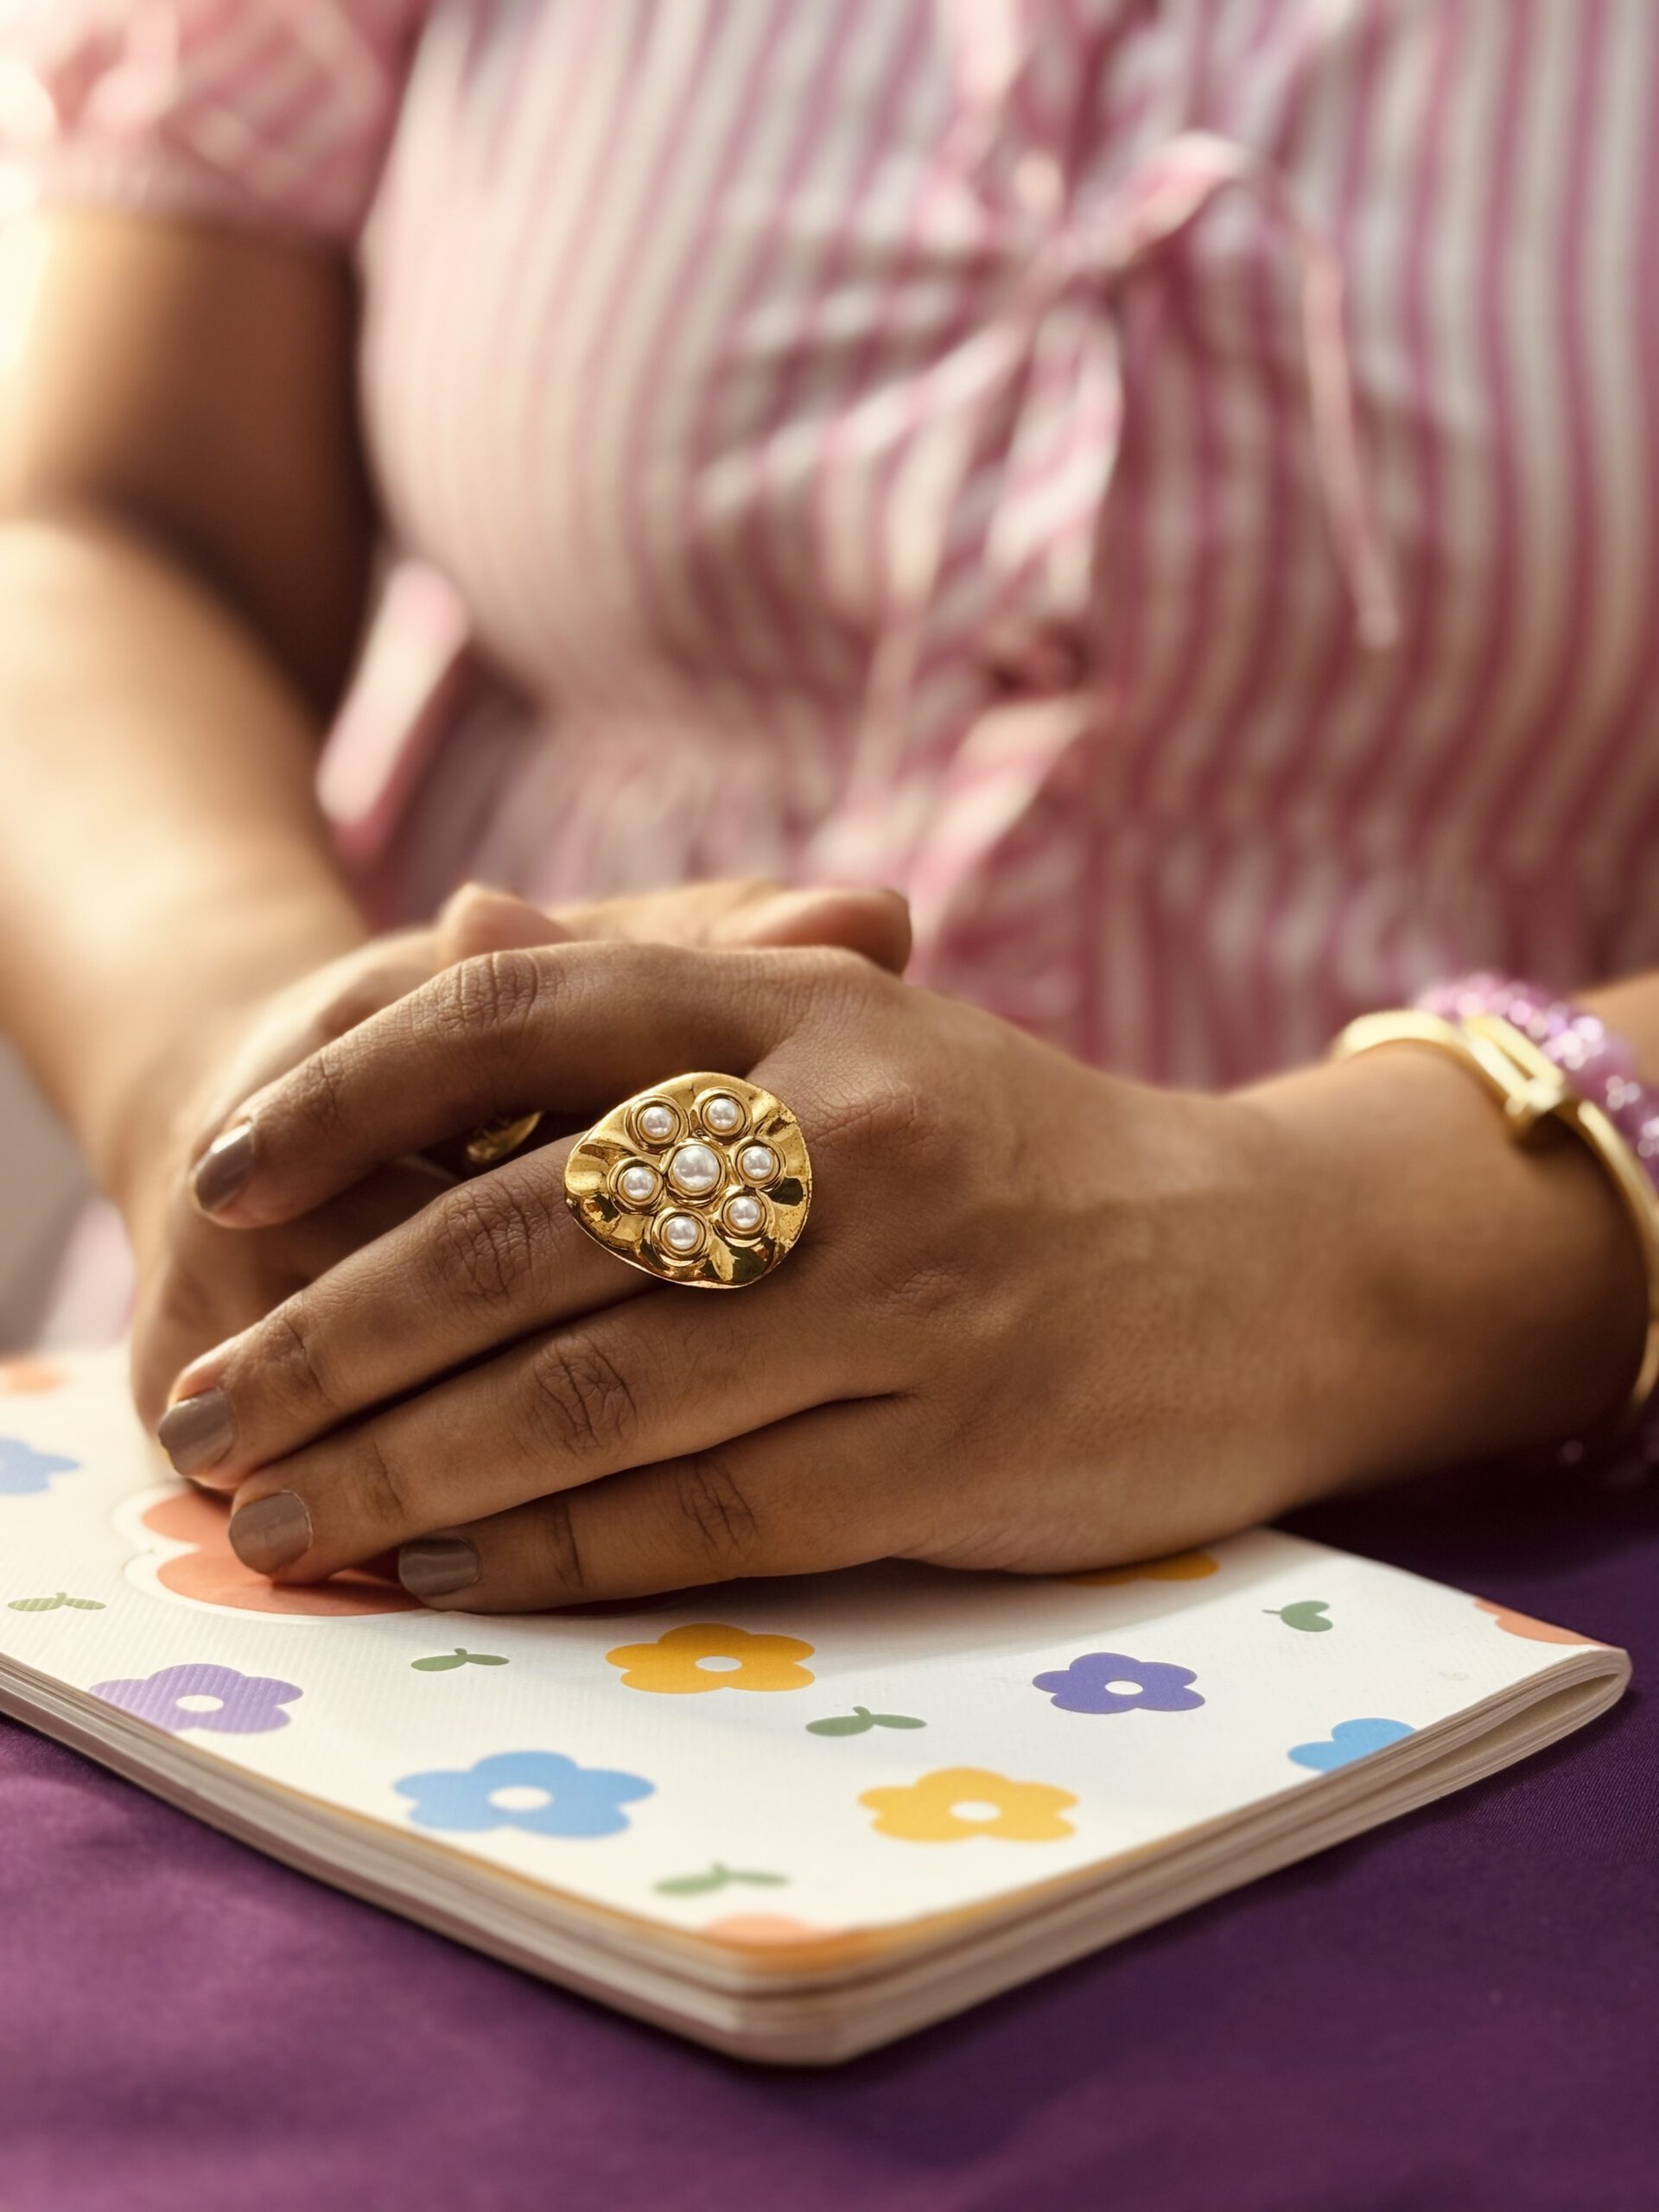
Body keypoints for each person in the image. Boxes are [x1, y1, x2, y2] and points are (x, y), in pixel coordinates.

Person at [1, 0, 1656, 1612]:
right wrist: (223, 1054)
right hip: (357, 1434)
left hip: (1470, 1522)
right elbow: (109, 525)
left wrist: (1295, 1243)